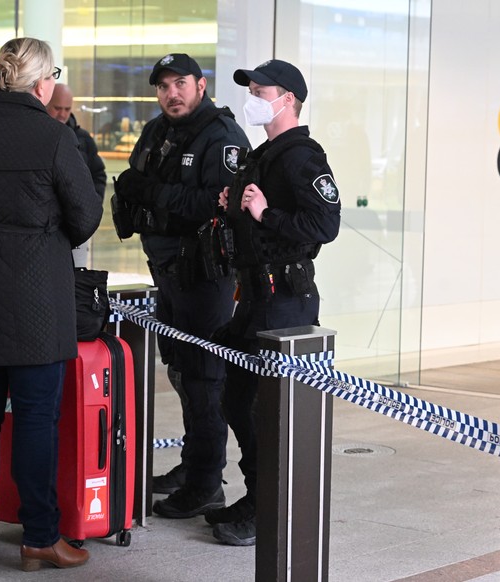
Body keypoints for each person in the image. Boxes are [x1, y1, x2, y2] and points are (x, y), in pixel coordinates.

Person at [0, 37, 102, 570]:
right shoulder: (53, 138)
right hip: (35, 300)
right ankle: (38, 537)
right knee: (35, 420)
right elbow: (86, 217)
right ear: (41, 83)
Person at [207, 59, 341, 546]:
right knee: (238, 400)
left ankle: (272, 507)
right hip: (255, 298)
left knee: (268, 410)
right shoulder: (264, 154)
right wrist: (236, 210)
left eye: (261, 91)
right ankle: (260, 494)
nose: (253, 97)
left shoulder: (302, 157)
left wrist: (266, 213)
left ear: (287, 100)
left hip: (285, 302)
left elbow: (324, 225)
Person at [113, 53, 250, 518]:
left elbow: (216, 204)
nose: (171, 93)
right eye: (163, 86)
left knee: (205, 377)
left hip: (205, 276)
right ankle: (194, 464)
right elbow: (130, 183)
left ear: (201, 85)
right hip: (166, 270)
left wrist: (150, 193)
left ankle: (207, 482)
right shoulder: (157, 131)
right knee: (180, 372)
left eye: (180, 84)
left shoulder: (222, 136)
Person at [46, 83, 107, 267]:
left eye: (67, 109)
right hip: (46, 229)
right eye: (57, 108)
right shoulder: (38, 136)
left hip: (75, 228)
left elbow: (98, 175)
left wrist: (88, 209)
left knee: (77, 281)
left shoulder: (82, 139)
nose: (62, 114)